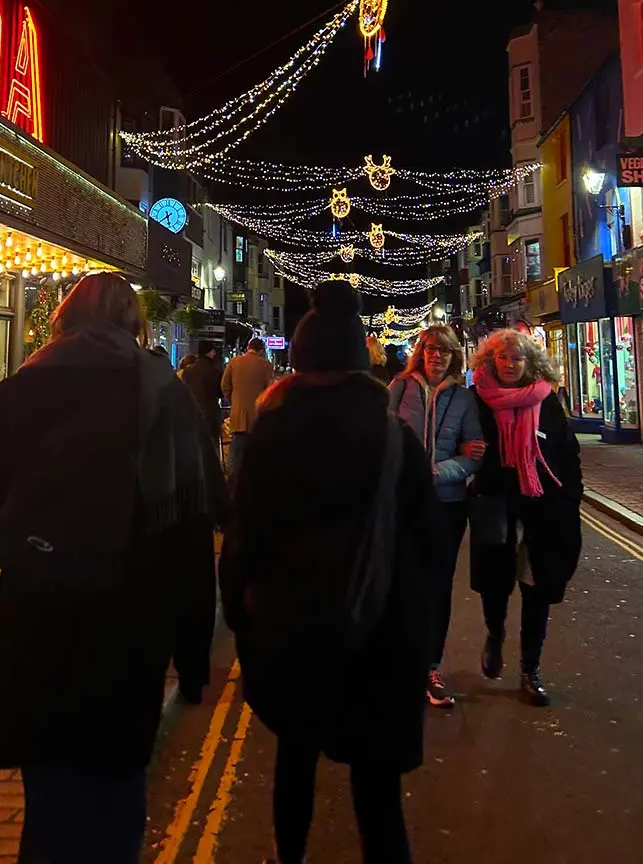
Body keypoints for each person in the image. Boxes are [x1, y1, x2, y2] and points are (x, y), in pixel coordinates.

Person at [0, 272, 224, 864]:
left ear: (65, 318)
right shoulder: (162, 391)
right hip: (132, 609)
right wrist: (194, 645)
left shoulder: (27, 384)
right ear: (134, 321)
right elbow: (190, 523)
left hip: (41, 600)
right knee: (119, 780)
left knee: (48, 782)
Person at [221, 282, 445, 864]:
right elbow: (428, 548)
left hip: (292, 630)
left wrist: (241, 619)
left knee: (294, 763)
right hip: (381, 631)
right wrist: (421, 637)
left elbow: (241, 539)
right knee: (377, 791)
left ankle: (289, 856)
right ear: (357, 360)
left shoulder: (271, 432)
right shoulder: (394, 437)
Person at [468, 328, 583, 707]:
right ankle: (495, 633)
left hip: (541, 505)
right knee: (494, 584)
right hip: (496, 501)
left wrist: (570, 497)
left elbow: (568, 452)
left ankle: (529, 669)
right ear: (490, 361)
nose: (510, 364)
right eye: (503, 357)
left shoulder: (547, 401)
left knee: (536, 587)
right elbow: (458, 442)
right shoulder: (477, 400)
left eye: (518, 358)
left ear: (530, 362)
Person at [388, 324, 485, 708]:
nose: (436, 356)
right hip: (403, 501)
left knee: (438, 585)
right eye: (430, 349)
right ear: (420, 352)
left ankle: (431, 666)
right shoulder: (400, 388)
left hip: (446, 503)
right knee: (402, 580)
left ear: (453, 356)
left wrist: (439, 471)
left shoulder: (464, 398)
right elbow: (382, 438)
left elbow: (476, 452)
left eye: (444, 351)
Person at [221, 337, 274, 477]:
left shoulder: (234, 362)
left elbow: (224, 385)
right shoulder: (265, 365)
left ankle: (232, 479)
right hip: (257, 416)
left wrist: (233, 398)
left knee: (236, 447)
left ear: (248, 347)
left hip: (238, 414)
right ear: (261, 350)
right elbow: (271, 390)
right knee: (256, 450)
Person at [181, 340, 225, 447]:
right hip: (210, 413)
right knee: (211, 446)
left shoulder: (187, 372)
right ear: (208, 352)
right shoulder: (215, 371)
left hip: (191, 413)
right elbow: (220, 393)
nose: (214, 353)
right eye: (213, 351)